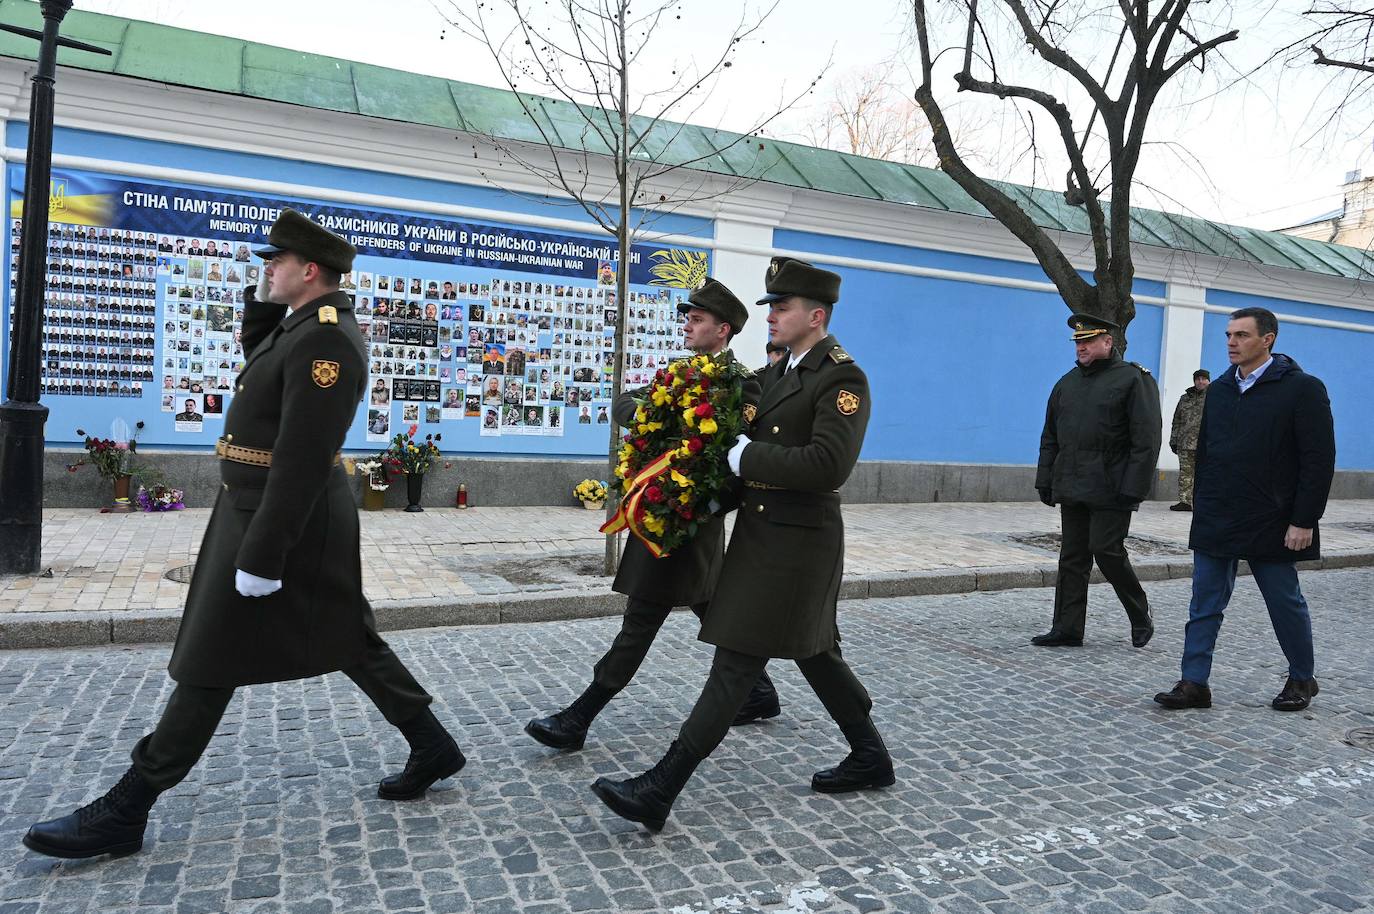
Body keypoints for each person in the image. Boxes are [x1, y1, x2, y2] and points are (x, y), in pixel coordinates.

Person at [23, 211, 464, 862]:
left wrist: (264, 551)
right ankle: (432, 744)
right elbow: (258, 362)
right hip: (254, 508)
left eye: (276, 262)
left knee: (213, 651)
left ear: (308, 271)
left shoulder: (328, 340)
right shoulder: (298, 328)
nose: (267, 269)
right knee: (348, 634)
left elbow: (305, 453)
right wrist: (262, 299)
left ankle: (129, 805)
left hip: (285, 518)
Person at [591, 257, 892, 832]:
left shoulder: (841, 378)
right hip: (761, 535)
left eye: (781, 308)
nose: (772, 317)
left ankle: (660, 787)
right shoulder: (778, 375)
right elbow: (731, 457)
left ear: (816, 315)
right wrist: (686, 498)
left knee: (735, 660)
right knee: (815, 650)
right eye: (772, 307)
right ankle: (870, 753)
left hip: (800, 545)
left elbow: (829, 465)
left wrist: (745, 457)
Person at [525, 278, 774, 753]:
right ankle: (759, 692)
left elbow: (735, 457)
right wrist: (662, 413)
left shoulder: (741, 384)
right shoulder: (680, 375)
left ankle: (578, 718)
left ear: (723, 330)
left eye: (697, 320)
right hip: (657, 509)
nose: (687, 325)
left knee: (641, 618)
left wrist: (705, 503)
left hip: (686, 522)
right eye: (688, 317)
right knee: (712, 606)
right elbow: (625, 403)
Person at [1154, 308, 1335, 713]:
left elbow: (1318, 460)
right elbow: (1206, 451)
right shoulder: (1218, 389)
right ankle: (1194, 683)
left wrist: (1304, 519)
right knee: (1204, 602)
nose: (1231, 342)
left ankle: (1301, 677)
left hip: (1272, 517)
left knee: (1284, 601)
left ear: (1267, 339)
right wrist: (1201, 503)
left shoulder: (1302, 389)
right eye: (1228, 335)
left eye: (1241, 335)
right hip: (1218, 513)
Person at [1032, 313, 1161, 649]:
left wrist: (1135, 487)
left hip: (1112, 486)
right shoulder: (1067, 383)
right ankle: (1067, 628)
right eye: (1078, 342)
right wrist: (1046, 479)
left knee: (1106, 551)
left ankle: (1139, 612)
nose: (1081, 347)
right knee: (1072, 557)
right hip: (1073, 483)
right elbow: (1051, 436)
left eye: (1088, 341)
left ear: (1108, 342)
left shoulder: (1134, 379)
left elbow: (1146, 439)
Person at [1168, 369, 1210, 511]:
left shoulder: (1214, 397)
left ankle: (1201, 502)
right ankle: (1185, 502)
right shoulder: (1184, 398)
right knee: (1185, 474)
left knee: (1203, 474)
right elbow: (1176, 421)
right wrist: (1173, 440)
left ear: (1208, 381)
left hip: (1205, 444)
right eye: (1198, 379)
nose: (1201, 381)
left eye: (1204, 379)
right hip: (1185, 443)